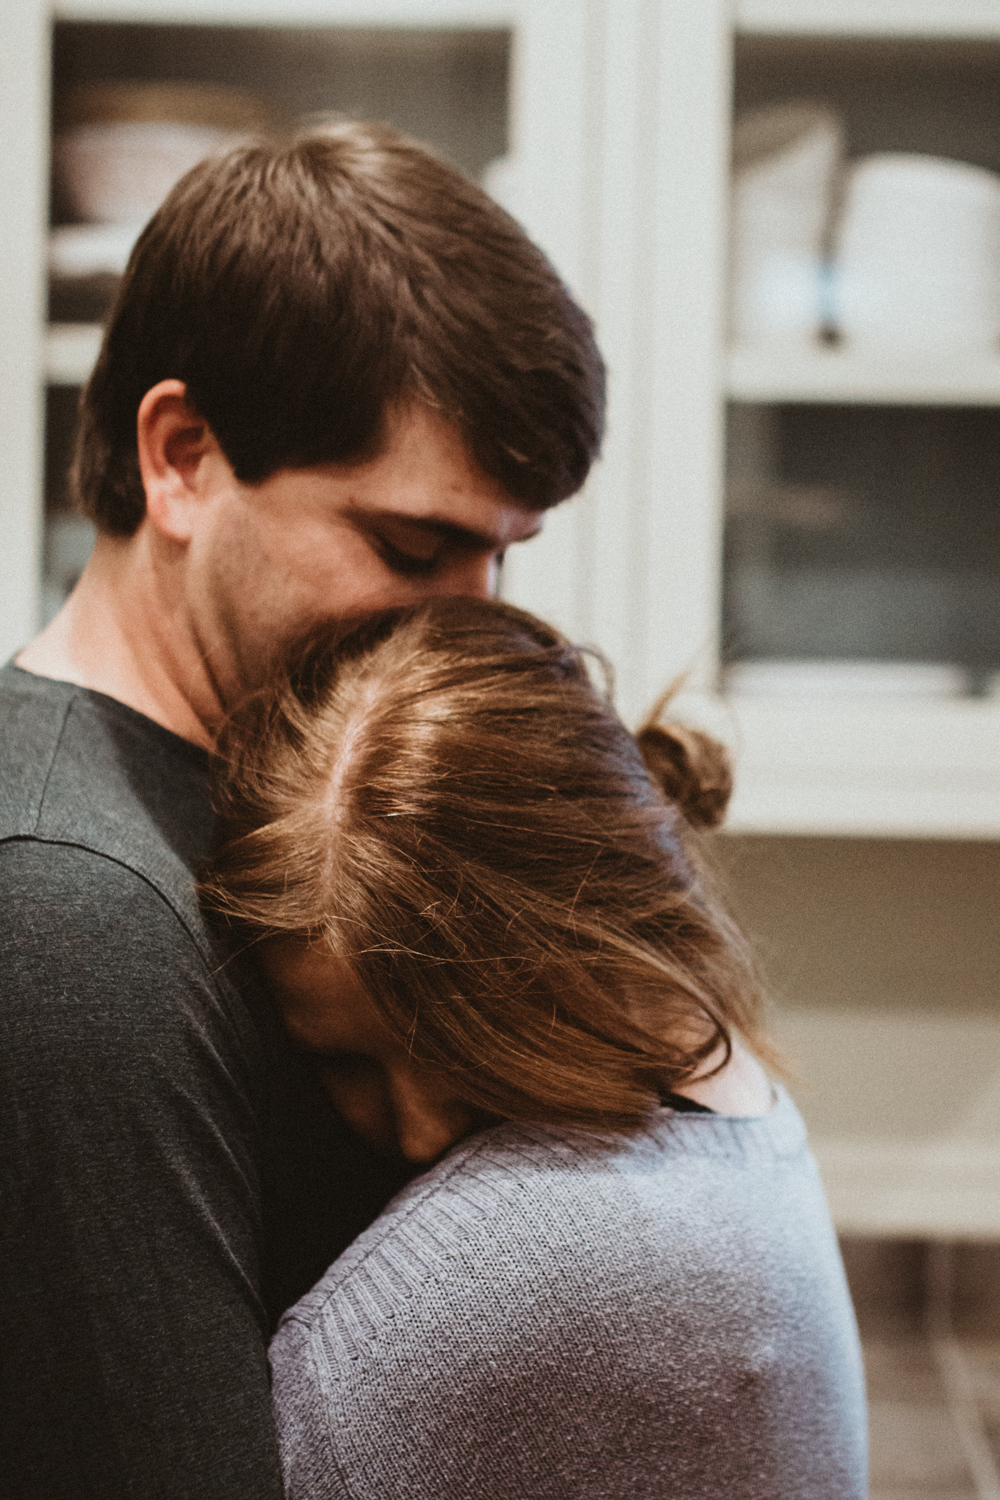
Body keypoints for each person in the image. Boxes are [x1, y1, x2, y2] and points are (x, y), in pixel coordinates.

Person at [0, 123, 604, 1499]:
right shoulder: (71, 922)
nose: (470, 625)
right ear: (184, 456)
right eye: (411, 547)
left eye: (502, 557)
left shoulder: (266, 791)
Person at [202, 596, 869, 1500]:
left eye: (461, 1040)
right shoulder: (729, 1091)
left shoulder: (492, 1275)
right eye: (343, 1064)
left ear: (582, 936)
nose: (418, 1133)